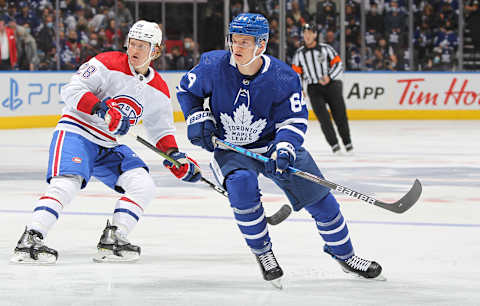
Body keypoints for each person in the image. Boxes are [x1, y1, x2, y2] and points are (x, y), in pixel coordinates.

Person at [176, 13, 383, 288]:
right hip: (233, 149)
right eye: (234, 40)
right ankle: (264, 254)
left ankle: (344, 254)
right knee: (242, 185)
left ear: (261, 45)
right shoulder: (213, 65)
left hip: (273, 144)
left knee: (323, 201)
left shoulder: (282, 76)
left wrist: (284, 147)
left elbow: (294, 119)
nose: (236, 47)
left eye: (245, 42)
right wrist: (196, 116)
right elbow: (186, 91)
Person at [11, 20, 201, 264]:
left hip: (108, 144)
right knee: (67, 183)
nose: (134, 50)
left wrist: (175, 156)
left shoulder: (160, 89)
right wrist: (102, 109)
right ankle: (31, 238)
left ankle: (114, 238)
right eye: (132, 43)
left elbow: (161, 129)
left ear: (155, 51)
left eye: (142, 46)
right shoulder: (106, 62)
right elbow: (71, 90)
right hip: (77, 131)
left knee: (143, 184)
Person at [292, 23, 353, 155]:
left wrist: (329, 77)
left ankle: (348, 143)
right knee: (324, 119)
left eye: (310, 33)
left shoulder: (326, 49)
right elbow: (296, 74)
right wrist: (300, 89)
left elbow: (338, 64)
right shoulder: (299, 54)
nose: (307, 36)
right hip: (314, 88)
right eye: (305, 33)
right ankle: (335, 145)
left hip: (332, 85)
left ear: (315, 34)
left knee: (340, 115)